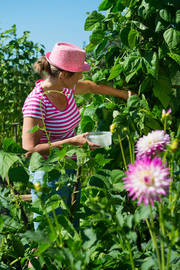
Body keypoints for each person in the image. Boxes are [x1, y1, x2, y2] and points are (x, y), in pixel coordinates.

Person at [22, 42, 137, 230]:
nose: (82, 76)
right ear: (64, 75)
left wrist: (125, 94)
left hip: (69, 169)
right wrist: (73, 142)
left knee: (69, 236)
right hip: (48, 176)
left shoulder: (65, 88)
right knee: (48, 242)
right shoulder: (37, 102)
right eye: (79, 73)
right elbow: (29, 150)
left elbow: (92, 87)